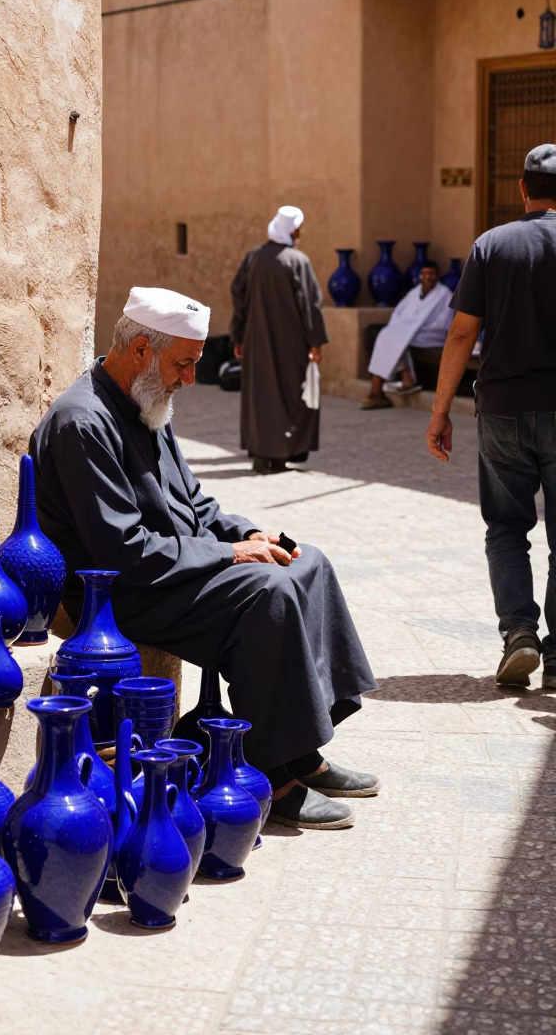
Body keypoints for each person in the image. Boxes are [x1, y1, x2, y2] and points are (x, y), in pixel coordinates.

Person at [30, 285, 379, 829]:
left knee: (305, 562)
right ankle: (273, 775)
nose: (190, 379)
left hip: (173, 571)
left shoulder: (147, 402)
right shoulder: (83, 422)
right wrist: (231, 554)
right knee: (269, 592)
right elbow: (123, 551)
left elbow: (196, 503)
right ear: (141, 349)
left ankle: (302, 751)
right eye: (183, 364)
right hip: (124, 593)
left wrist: (254, 535)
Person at [426, 144, 556, 689]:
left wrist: (440, 412)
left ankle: (519, 634)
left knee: (506, 527)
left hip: (501, 408)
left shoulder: (491, 245)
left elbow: (461, 332)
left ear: (522, 190)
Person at [230, 205, 327, 474]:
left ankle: (264, 456)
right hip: (291, 344)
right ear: (292, 229)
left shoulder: (253, 258)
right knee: (289, 396)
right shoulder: (298, 261)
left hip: (256, 342)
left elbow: (239, 299)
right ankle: (281, 455)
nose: (300, 233)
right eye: (298, 228)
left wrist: (238, 336)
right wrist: (315, 343)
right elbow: (310, 305)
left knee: (262, 396)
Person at [362, 261, 453, 410]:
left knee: (395, 336)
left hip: (431, 334)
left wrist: (414, 326)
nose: (428, 277)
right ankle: (402, 379)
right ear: (420, 276)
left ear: (437, 275)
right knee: (390, 335)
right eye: (425, 274)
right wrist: (405, 326)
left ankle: (378, 389)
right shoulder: (414, 292)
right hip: (409, 331)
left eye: (431, 274)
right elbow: (399, 312)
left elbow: (444, 322)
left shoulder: (445, 294)